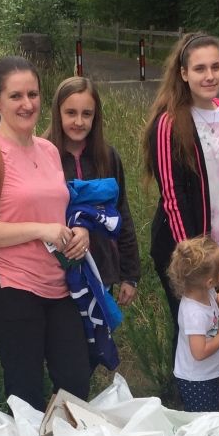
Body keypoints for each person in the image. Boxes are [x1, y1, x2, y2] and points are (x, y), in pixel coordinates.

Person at [0, 56, 90, 410]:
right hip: (11, 288)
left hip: (57, 284)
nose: (27, 104)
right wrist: (38, 230)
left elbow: (55, 209)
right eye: (16, 96)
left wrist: (78, 231)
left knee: (76, 380)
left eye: (33, 94)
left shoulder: (47, 149)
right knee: (27, 392)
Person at [144, 33, 219, 348]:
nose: (209, 76)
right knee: (194, 339)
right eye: (200, 68)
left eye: (215, 67)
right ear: (184, 73)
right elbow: (173, 198)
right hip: (187, 253)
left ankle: (209, 397)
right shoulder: (170, 123)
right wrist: (196, 262)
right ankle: (186, 397)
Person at [45, 76, 141, 308]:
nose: (79, 121)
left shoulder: (107, 158)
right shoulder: (43, 155)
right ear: (58, 113)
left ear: (95, 116)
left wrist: (130, 275)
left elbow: (122, 213)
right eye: (70, 113)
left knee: (98, 339)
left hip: (101, 268)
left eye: (86, 114)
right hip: (55, 275)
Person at [167, 236, 219, 413]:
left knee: (211, 414)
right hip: (196, 379)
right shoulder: (194, 314)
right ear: (210, 281)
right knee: (202, 422)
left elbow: (216, 296)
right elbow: (199, 352)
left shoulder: (205, 291)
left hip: (206, 374)